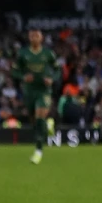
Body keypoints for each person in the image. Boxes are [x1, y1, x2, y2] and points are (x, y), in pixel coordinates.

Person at [11, 29, 59, 164]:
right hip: (29, 91)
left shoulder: (48, 53)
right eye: (32, 35)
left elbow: (57, 70)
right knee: (35, 122)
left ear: (41, 37)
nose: (34, 38)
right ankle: (48, 125)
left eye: (37, 35)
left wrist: (51, 79)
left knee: (39, 115)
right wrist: (23, 77)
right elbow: (14, 71)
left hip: (43, 90)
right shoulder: (23, 54)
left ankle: (38, 151)